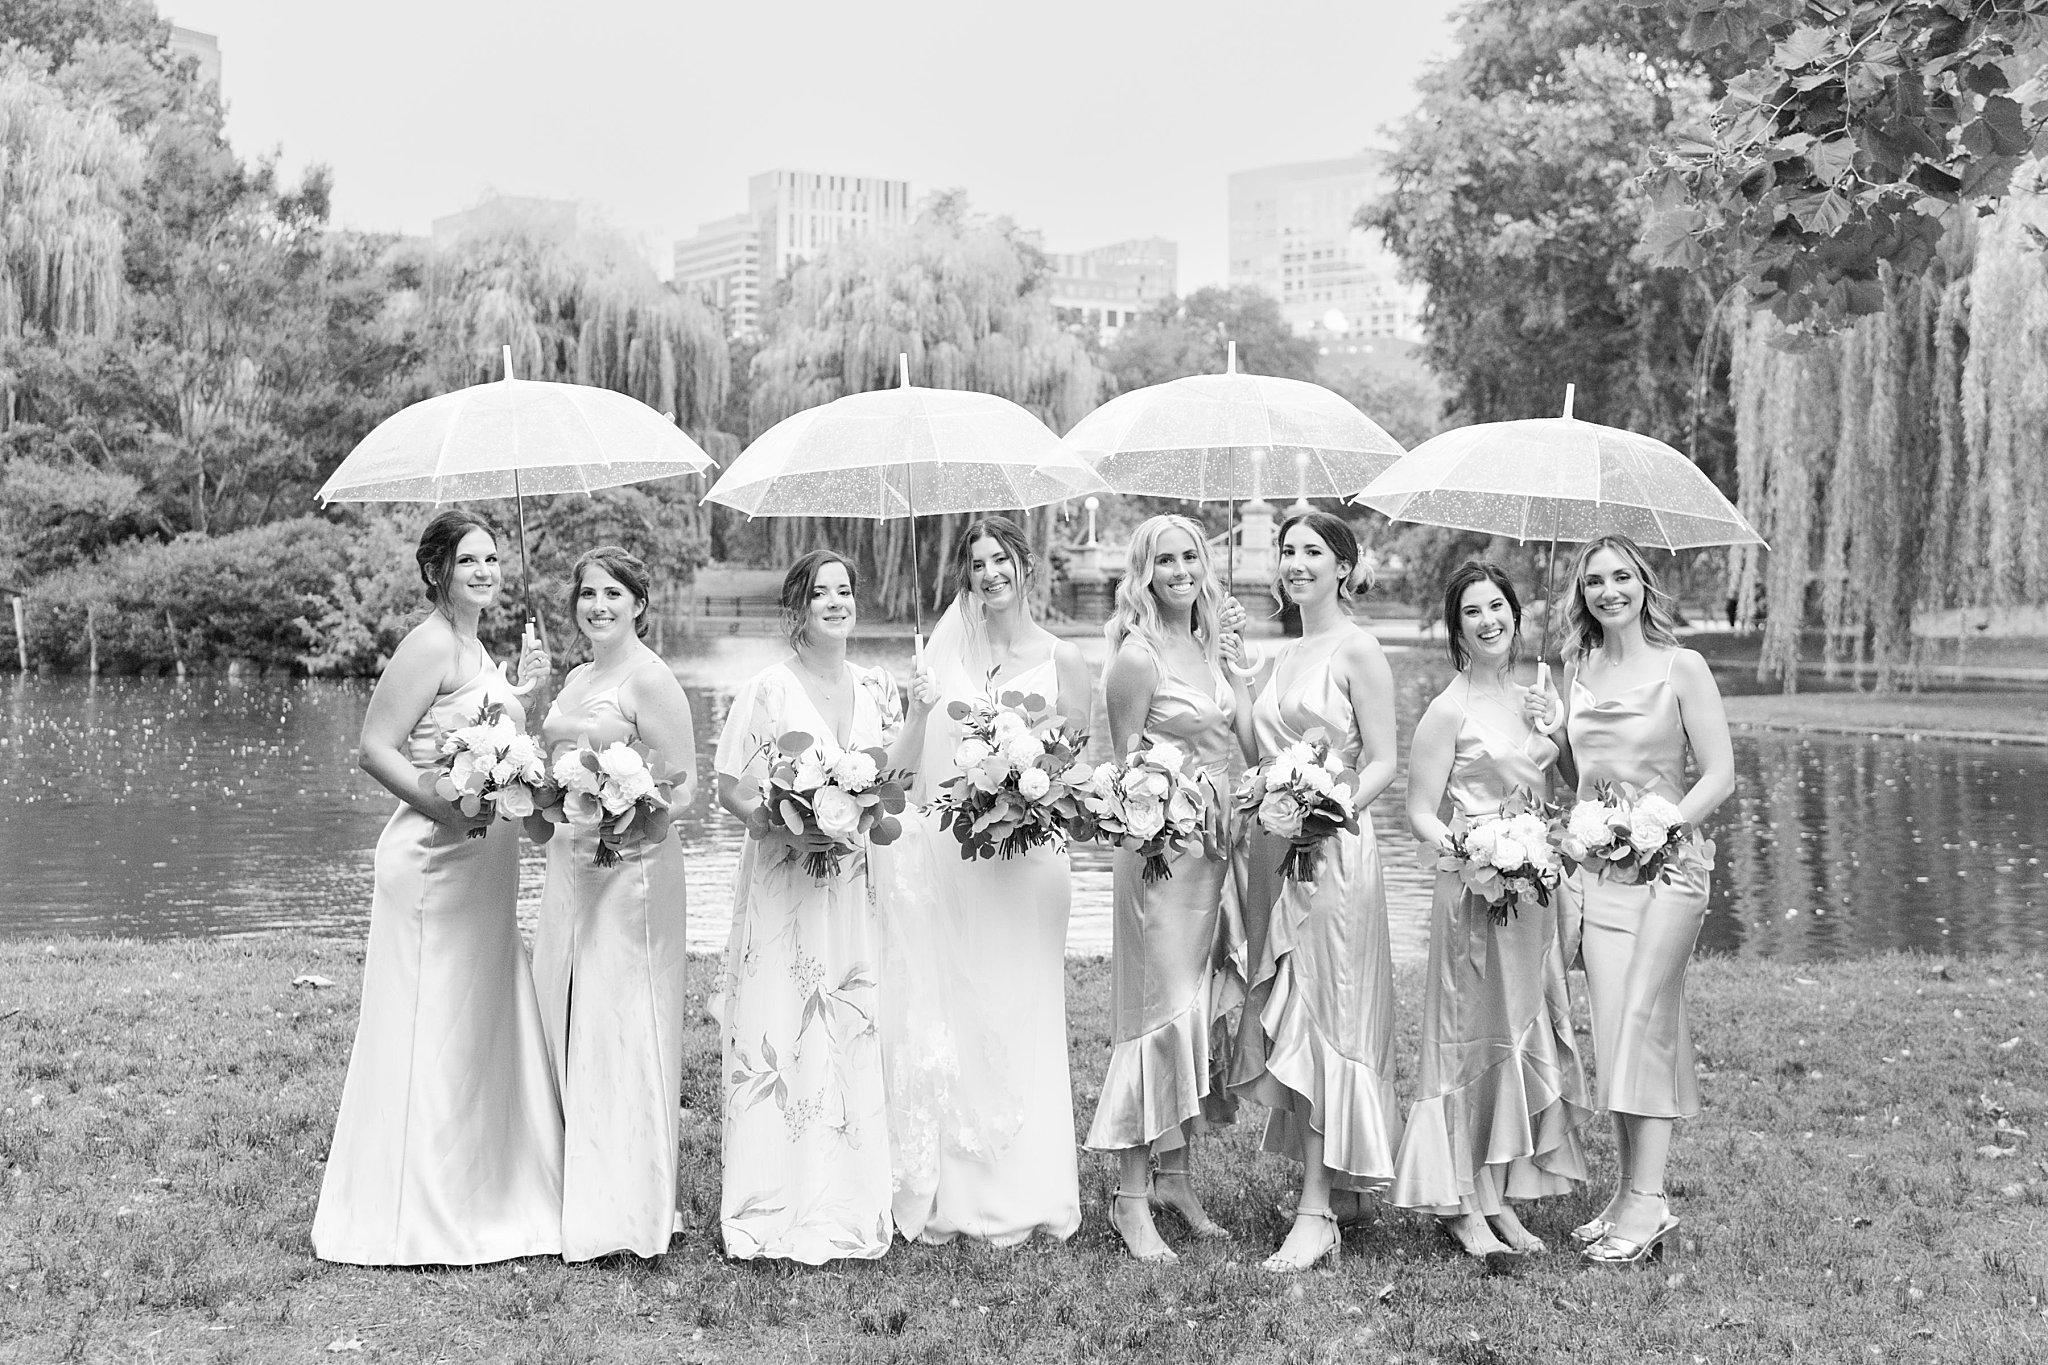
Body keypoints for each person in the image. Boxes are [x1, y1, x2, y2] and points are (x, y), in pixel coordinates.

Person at [312, 510, 562, 1266]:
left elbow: (491, 737)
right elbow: (373, 749)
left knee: (476, 1018)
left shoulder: (477, 645)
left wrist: (531, 695)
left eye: (491, 558)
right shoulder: (427, 644)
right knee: (432, 1023)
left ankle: (483, 1186)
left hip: (483, 863)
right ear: (438, 571)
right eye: (469, 560)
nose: (485, 570)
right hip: (431, 860)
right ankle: (417, 1209)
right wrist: (440, 803)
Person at [886, 516, 1086, 1244]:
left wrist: (1027, 790)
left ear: (1024, 566)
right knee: (965, 999)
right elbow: (910, 779)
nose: (989, 573)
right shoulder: (948, 654)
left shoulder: (1065, 659)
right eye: (976, 565)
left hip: (1033, 861)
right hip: (961, 854)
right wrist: (921, 704)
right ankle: (964, 1188)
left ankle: (1033, 1185)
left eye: (1000, 559)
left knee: (1025, 1007)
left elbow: (1077, 774)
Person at [711, 550, 915, 1263]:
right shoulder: (767, 689)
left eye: (845, 590)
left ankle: (849, 1196)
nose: (836, 601)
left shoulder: (877, 686)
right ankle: (772, 1202)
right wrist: (779, 819)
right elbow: (730, 786)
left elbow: (892, 786)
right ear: (796, 608)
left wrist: (862, 807)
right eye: (820, 592)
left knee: (847, 1026)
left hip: (852, 890)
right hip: (787, 885)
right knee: (784, 1028)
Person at [1391, 562, 1592, 1258]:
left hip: (1534, 889)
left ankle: (1500, 1195)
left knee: (1518, 1031)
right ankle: (1462, 1200)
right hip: (1474, 888)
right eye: (1472, 610)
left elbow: (1564, 784)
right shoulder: (1449, 708)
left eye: (1497, 606)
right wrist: (1465, 846)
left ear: (1515, 613)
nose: (1488, 619)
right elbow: (1419, 807)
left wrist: (1557, 728)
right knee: (1469, 1038)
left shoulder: (1534, 696)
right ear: (1458, 628)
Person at [1227, 511, 1403, 1273]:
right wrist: (1239, 686)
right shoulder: (1288, 651)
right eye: (1288, 551)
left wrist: (1329, 808)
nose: (1296, 562)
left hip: (1335, 854)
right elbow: (1257, 749)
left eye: (1313, 552)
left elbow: (1386, 760)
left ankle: (1316, 1212)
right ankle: (1333, 1189)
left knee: (1327, 1014)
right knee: (1294, 1011)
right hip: (1281, 852)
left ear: (1344, 566)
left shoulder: (1358, 648)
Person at [1559, 534, 1734, 1266]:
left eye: (1621, 576)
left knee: (1645, 1019)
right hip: (1600, 870)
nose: (1609, 590)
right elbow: (1578, 774)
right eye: (1595, 580)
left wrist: (1662, 822)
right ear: (1583, 594)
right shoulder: (1577, 667)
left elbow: (1719, 773)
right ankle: (1629, 1191)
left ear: (1643, 583)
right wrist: (1551, 737)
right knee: (1613, 1026)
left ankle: (1651, 1199)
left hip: (1668, 867)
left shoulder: (1681, 665)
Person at [1085, 513, 1253, 1263]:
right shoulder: (1137, 656)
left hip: (1216, 852)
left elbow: (1243, 739)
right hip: (1160, 856)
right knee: (1156, 1017)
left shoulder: (1211, 642)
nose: (1181, 569)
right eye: (1165, 559)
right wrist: (1178, 800)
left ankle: (1177, 1179)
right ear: (1143, 571)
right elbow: (1123, 771)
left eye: (1191, 556)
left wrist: (1242, 667)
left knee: (1193, 1015)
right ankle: (1129, 1197)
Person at [529, 547, 697, 1261]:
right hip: (571, 862)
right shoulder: (573, 677)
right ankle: (574, 1184)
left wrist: (627, 805)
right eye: (587, 593)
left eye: (613, 593)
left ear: (639, 603)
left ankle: (632, 1205)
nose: (598, 605)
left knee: (622, 1021)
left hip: (630, 869)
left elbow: (682, 787)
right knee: (566, 1014)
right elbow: (552, 763)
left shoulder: (651, 678)